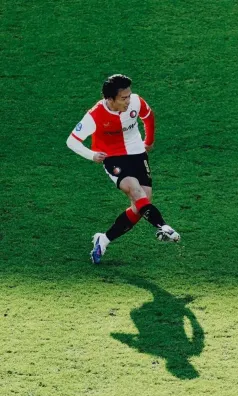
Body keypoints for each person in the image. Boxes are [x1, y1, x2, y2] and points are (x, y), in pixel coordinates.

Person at [66, 74, 180, 264]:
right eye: (123, 98)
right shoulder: (94, 116)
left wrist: (149, 141)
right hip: (112, 157)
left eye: (129, 96)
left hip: (137, 152)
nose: (128, 101)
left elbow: (148, 116)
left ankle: (104, 239)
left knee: (141, 204)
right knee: (136, 191)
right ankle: (164, 226)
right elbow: (72, 141)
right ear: (110, 99)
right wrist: (91, 155)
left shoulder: (136, 101)